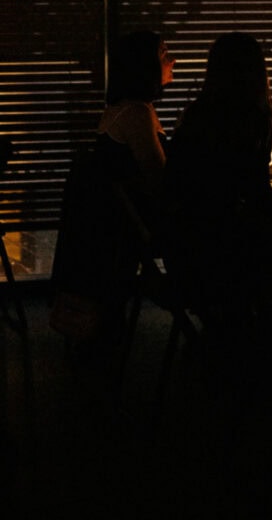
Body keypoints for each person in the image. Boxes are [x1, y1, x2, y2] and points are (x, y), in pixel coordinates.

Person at [162, 32, 272, 329]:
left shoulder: (196, 114)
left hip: (189, 246)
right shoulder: (247, 117)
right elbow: (254, 194)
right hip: (227, 250)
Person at [50, 30, 175, 346]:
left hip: (116, 227)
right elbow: (159, 178)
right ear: (144, 65)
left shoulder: (123, 108)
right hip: (130, 228)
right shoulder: (136, 113)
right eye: (163, 54)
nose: (173, 60)